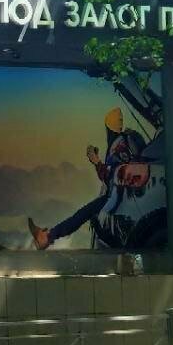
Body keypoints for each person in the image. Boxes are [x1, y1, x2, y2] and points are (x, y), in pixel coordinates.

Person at [28, 107, 146, 250]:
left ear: (108, 128)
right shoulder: (129, 140)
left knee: (82, 215)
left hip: (121, 197)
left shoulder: (118, 146)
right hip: (128, 196)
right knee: (84, 214)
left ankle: (46, 238)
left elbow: (113, 177)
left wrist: (96, 161)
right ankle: (48, 236)